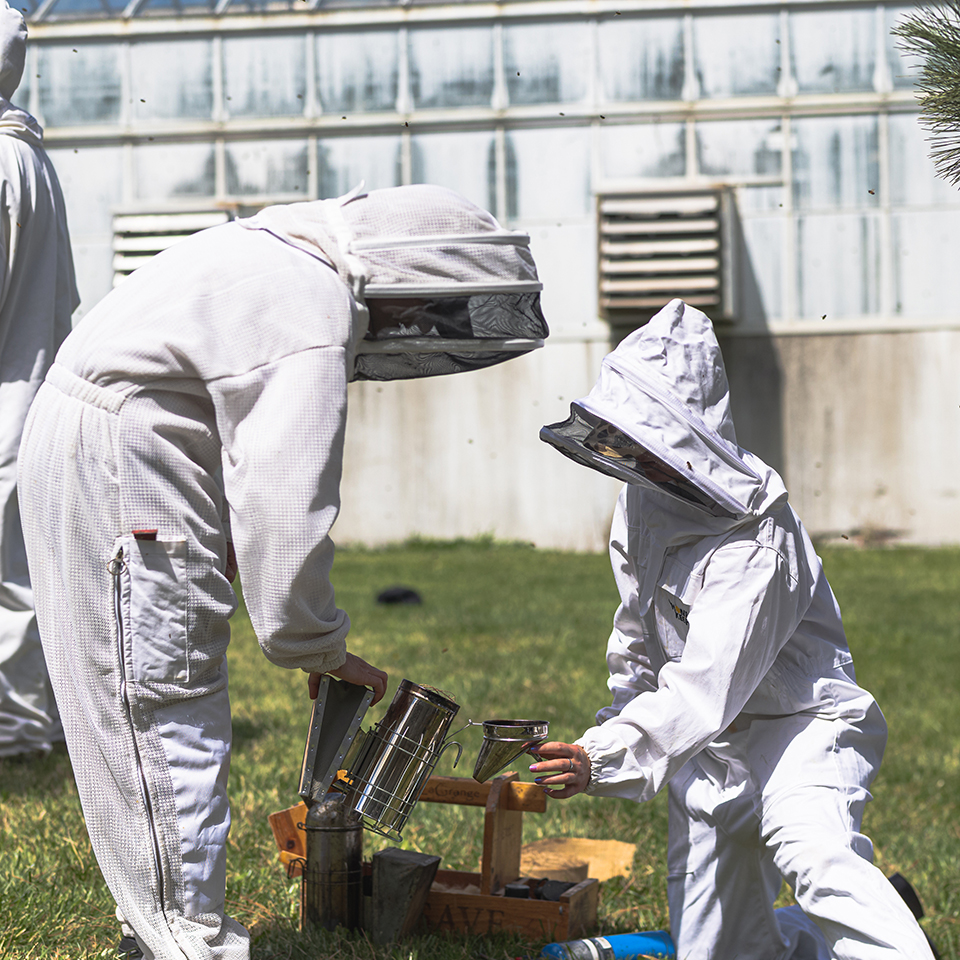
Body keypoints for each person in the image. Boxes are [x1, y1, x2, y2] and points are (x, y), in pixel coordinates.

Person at [16, 183, 547, 960]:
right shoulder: (310, 305)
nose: (420, 329)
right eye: (433, 307)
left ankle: (154, 923)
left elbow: (219, 428)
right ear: (413, 270)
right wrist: (318, 646)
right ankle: (186, 942)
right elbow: (285, 505)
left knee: (119, 698)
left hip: (94, 447)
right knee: (161, 699)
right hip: (119, 463)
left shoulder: (272, 255)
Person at [532, 299, 934, 959]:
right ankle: (827, 939)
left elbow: (704, 689)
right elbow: (637, 635)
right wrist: (609, 730)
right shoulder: (641, 501)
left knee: (813, 849)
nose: (633, 455)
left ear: (687, 430)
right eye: (626, 438)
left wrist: (601, 758)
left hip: (800, 729)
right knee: (720, 953)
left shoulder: (759, 540)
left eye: (647, 437)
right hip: (708, 751)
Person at [0, 0, 78, 758]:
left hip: (6, 398)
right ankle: (26, 726)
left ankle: (18, 735)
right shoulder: (29, 155)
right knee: (22, 571)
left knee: (10, 580)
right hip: (34, 393)